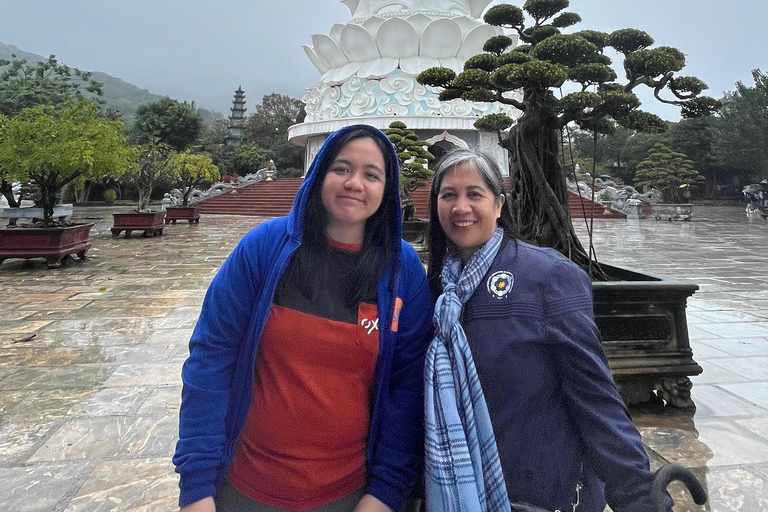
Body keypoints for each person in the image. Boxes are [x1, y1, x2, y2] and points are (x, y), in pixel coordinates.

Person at [173, 124, 433, 512]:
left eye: (371, 174)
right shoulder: (265, 248)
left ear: (387, 189)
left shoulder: (401, 269)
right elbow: (212, 357)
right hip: (247, 486)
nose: (354, 183)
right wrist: (196, 487)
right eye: (341, 168)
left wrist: (386, 491)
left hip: (351, 492)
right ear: (319, 173)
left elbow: (407, 384)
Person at [423, 149, 669, 512]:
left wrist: (636, 491)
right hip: (453, 489)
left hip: (539, 493)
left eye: (475, 194)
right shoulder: (435, 290)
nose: (461, 207)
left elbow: (595, 396)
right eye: (448, 195)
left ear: (499, 205)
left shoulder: (548, 276)